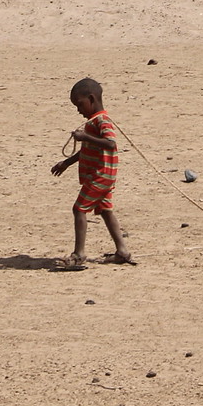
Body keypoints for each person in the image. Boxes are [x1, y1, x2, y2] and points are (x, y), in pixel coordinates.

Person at [49, 77, 135, 268]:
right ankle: (122, 251)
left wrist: (85, 136)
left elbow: (111, 143)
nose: (78, 110)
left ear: (91, 99)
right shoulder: (93, 121)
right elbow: (87, 149)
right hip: (104, 175)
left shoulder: (102, 121)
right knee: (105, 210)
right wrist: (67, 163)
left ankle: (79, 254)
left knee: (79, 209)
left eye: (80, 104)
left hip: (100, 175)